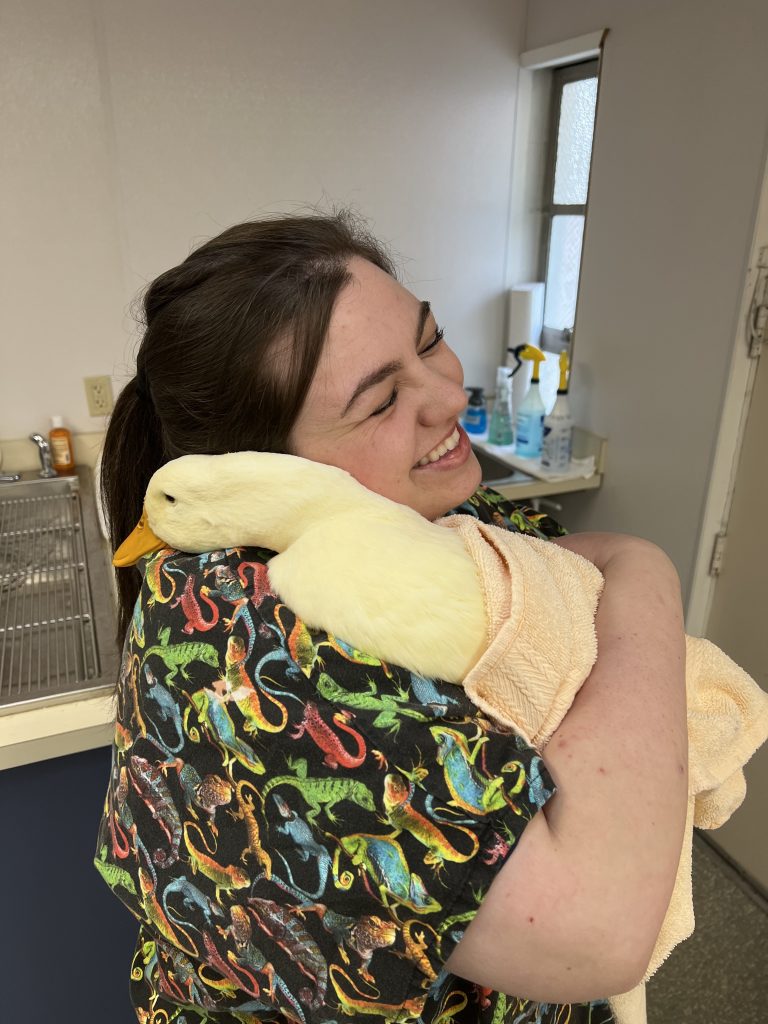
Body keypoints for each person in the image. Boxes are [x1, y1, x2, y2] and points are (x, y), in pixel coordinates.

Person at [96, 212, 688, 1024]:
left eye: (430, 340)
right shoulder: (262, 648)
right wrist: (649, 571)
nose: (450, 396)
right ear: (264, 467)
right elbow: (599, 932)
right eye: (381, 402)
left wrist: (619, 580)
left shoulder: (391, 508)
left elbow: (546, 569)